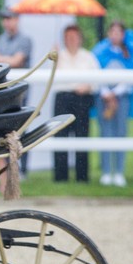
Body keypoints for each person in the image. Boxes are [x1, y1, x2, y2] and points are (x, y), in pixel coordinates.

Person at [93, 20, 133, 187]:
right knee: (105, 133)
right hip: (103, 97)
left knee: (121, 132)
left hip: (122, 98)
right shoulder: (100, 52)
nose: (115, 34)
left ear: (123, 35)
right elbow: (95, 72)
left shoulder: (129, 53)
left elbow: (132, 75)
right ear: (108, 33)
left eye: (118, 32)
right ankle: (106, 172)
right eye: (112, 31)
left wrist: (116, 92)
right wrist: (106, 92)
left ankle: (119, 172)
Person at [52, 23, 98, 184]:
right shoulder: (59, 55)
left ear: (80, 38)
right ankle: (61, 176)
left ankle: (82, 176)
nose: (71, 40)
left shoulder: (88, 56)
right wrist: (54, 57)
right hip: (63, 98)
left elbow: (96, 79)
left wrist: (88, 86)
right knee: (60, 136)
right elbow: (51, 78)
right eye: (68, 37)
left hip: (81, 98)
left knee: (82, 135)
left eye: (74, 36)